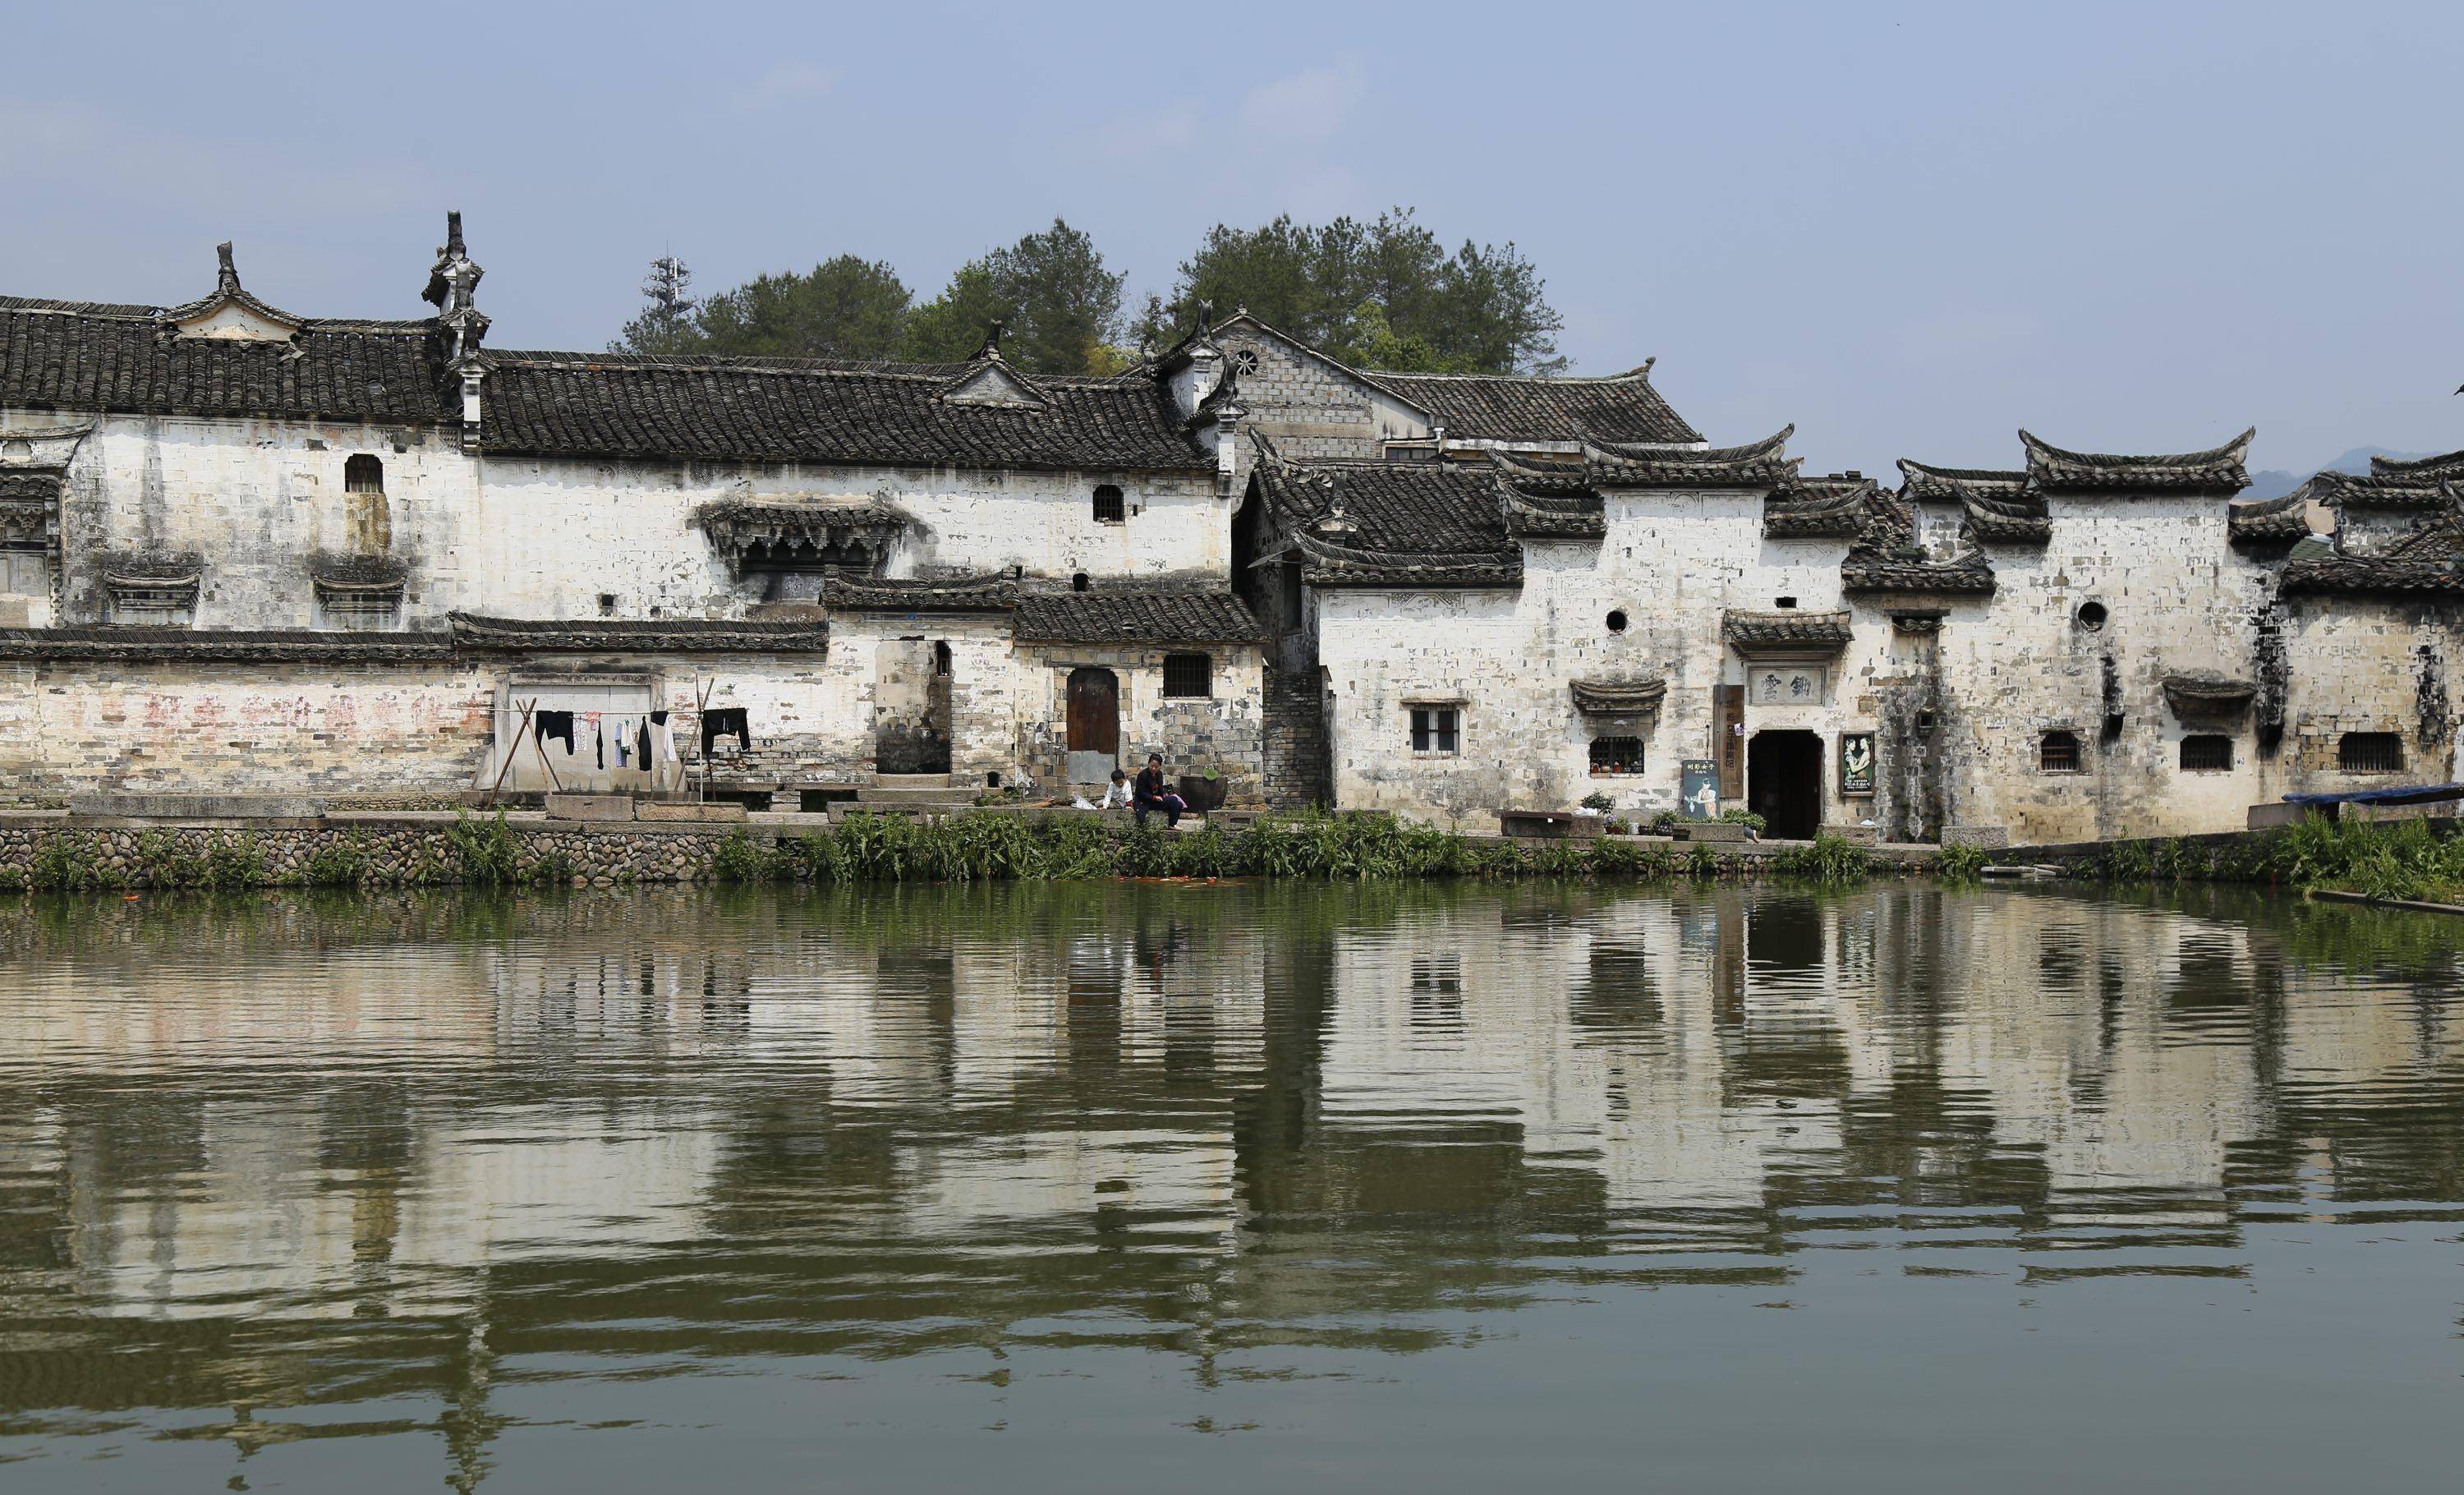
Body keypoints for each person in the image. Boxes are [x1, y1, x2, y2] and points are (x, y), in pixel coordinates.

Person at [1132, 753, 1188, 829]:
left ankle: (1173, 824)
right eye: (1152, 766)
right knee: (1173, 800)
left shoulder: (1159, 774)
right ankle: (1173, 825)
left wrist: (1164, 795)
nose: (1154, 768)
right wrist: (1153, 797)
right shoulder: (1143, 775)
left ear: (1160, 766)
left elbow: (1160, 789)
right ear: (1149, 764)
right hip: (1146, 802)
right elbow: (1141, 793)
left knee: (1179, 804)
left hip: (1157, 800)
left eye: (1156, 767)